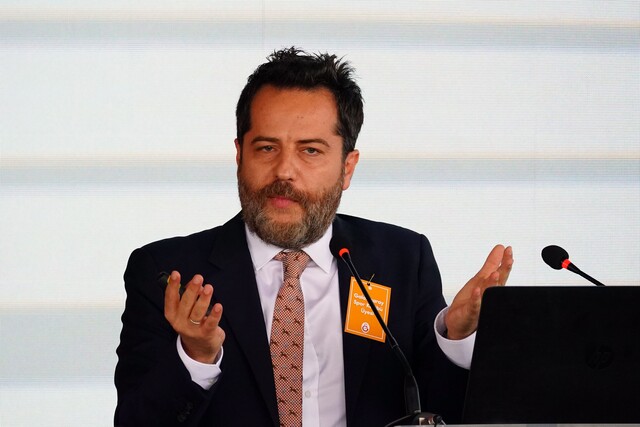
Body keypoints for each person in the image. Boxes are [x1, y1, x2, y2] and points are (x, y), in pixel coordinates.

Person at [114, 47, 513, 427]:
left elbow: (440, 408)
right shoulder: (169, 273)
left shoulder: (403, 260)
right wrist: (196, 357)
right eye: (266, 148)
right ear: (239, 155)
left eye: (310, 151)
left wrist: (457, 336)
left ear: (347, 167)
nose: (284, 171)